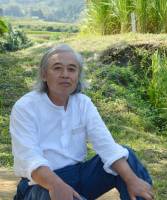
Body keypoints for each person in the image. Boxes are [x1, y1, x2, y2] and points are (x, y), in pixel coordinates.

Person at [10, 44, 154, 200]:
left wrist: (132, 180)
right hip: (39, 183)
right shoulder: (26, 107)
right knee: (49, 193)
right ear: (44, 75)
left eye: (72, 69)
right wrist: (56, 185)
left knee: (125, 157)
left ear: (77, 76)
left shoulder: (83, 103)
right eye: (57, 68)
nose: (65, 74)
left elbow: (106, 146)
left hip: (79, 176)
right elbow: (30, 159)